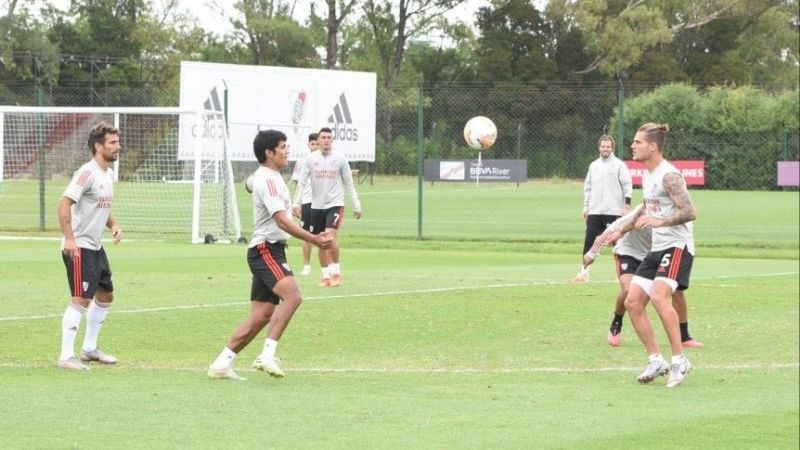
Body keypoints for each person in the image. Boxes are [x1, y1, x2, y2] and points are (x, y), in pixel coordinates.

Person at [207, 130, 333, 381]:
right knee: (293, 297)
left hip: (269, 248)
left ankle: (222, 363)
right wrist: (315, 239)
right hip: (266, 249)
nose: (288, 151)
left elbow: (250, 183)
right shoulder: (269, 180)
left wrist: (250, 183)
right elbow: (282, 222)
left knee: (262, 315)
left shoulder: (265, 177)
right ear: (269, 152)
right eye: (283, 147)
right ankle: (266, 355)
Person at [606, 123, 697, 388]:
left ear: (653, 146)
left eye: (637, 142)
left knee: (658, 297)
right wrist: (620, 231)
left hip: (677, 247)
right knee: (633, 302)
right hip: (657, 249)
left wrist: (660, 222)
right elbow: (644, 210)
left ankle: (679, 360)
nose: (632, 146)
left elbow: (690, 211)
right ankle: (656, 360)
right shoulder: (648, 175)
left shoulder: (669, 175)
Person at [583, 205, 703, 348]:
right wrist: (592, 253)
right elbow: (612, 229)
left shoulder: (674, 216)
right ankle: (617, 322)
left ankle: (684, 336)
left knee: (677, 291)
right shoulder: (643, 211)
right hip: (628, 252)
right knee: (628, 290)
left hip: (653, 254)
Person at [56, 122, 123, 370]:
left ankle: (89, 349)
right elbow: (63, 205)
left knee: (106, 294)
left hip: (96, 246)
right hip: (80, 246)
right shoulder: (87, 172)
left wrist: (113, 224)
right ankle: (65, 357)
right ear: (98, 146)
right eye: (113, 143)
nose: (118, 146)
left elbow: (100, 207)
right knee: (81, 298)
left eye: (118, 141)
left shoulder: (107, 174)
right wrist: (70, 239)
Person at [294, 127, 362, 288]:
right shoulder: (310, 159)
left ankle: (336, 273)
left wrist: (357, 204)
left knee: (329, 237)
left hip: (335, 205)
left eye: (328, 137)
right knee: (320, 241)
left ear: (332, 140)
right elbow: (302, 182)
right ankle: (325, 276)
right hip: (316, 206)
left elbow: (349, 183)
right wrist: (295, 203)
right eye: (323, 137)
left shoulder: (340, 159)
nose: (325, 140)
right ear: (319, 140)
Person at [572, 135, 632, 283]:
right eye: (603, 146)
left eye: (608, 147)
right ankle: (584, 273)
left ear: (612, 148)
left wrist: (626, 205)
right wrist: (586, 207)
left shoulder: (619, 165)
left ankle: (621, 275)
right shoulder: (593, 166)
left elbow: (627, 185)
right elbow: (588, 187)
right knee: (589, 240)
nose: (605, 149)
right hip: (595, 210)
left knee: (618, 243)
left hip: (614, 211)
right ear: (599, 147)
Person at [291, 133, 319, 276]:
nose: (314, 146)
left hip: (322, 203)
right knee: (306, 234)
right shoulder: (301, 162)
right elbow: (298, 184)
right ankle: (307, 266)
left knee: (323, 235)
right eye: (312, 144)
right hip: (307, 202)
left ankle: (326, 268)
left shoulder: (326, 161)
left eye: (317, 144)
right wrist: (295, 203)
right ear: (308, 145)